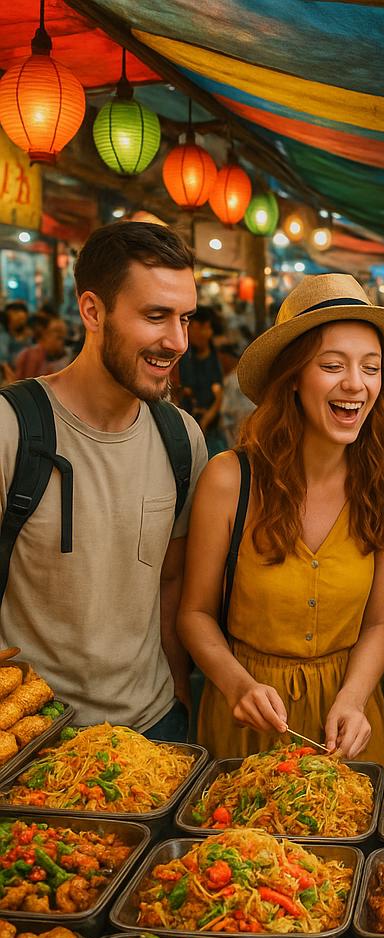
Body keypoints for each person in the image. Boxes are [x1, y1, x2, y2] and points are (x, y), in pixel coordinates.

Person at [178, 275, 384, 766]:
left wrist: (353, 698)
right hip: (246, 721)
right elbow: (195, 614)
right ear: (292, 376)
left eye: (371, 367)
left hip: (349, 721)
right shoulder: (230, 479)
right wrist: (237, 685)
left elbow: (380, 621)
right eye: (332, 365)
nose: (355, 384)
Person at [0, 222, 208, 738]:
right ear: (93, 311)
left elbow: (172, 582)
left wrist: (180, 702)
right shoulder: (11, 429)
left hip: (155, 727)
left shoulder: (182, 438)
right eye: (155, 316)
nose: (177, 341)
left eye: (185, 318)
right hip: (38, 739)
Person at [176, 306, 225, 455]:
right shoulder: (185, 355)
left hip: (209, 429)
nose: (205, 333)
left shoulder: (213, 359)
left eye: (206, 328)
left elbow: (219, 395)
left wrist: (205, 420)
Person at [13, 315, 70, 379]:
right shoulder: (32, 355)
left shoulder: (65, 357)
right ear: (45, 334)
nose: (61, 343)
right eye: (58, 337)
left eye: (62, 338)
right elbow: (27, 380)